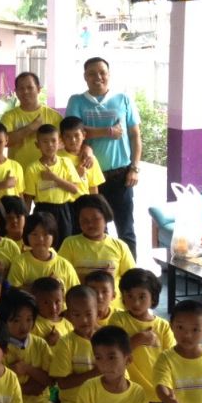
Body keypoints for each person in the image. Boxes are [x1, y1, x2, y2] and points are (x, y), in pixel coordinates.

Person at [65, 58, 142, 257]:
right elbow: (73, 132)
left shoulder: (123, 99)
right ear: (85, 77)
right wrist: (108, 131)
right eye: (92, 73)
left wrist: (134, 168)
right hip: (89, 176)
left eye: (102, 72)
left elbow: (135, 136)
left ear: (109, 74)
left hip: (121, 174)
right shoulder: (77, 101)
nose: (98, 77)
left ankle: (130, 272)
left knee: (126, 228)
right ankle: (99, 271)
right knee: (96, 229)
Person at [110, 269, 175, 403]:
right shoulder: (118, 320)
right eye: (130, 296)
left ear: (153, 298)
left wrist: (170, 389)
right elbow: (113, 353)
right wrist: (137, 340)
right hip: (130, 390)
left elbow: (171, 359)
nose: (136, 302)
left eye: (142, 296)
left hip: (159, 390)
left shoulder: (163, 326)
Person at [59, 195, 135, 303]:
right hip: (81, 305)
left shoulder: (120, 246)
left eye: (95, 219)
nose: (90, 224)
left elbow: (131, 280)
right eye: (84, 220)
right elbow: (61, 275)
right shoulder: (70, 244)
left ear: (105, 218)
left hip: (113, 307)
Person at [49, 285, 101, 403]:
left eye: (88, 314)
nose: (83, 320)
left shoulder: (109, 339)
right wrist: (95, 372)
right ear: (69, 316)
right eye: (77, 315)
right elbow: (63, 383)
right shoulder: (66, 343)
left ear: (98, 312)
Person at [22, 123, 83, 247]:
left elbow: (74, 189)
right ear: (37, 145)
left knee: (65, 243)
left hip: (64, 210)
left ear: (59, 142)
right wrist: (25, 221)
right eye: (45, 142)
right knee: (45, 244)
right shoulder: (32, 169)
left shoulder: (66, 163)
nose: (49, 145)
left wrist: (54, 178)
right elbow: (28, 198)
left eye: (53, 141)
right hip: (43, 210)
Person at [0, 71, 64, 167]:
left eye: (30, 88)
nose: (25, 92)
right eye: (21, 88)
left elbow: (65, 143)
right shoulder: (9, 116)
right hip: (19, 171)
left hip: (47, 171)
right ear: (16, 92)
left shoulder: (54, 116)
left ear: (38, 89)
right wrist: (30, 128)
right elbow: (4, 142)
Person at [7, 212, 80, 290]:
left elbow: (76, 293)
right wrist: (44, 286)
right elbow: (12, 291)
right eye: (34, 234)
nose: (40, 239)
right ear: (27, 236)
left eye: (45, 234)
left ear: (53, 236)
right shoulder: (20, 263)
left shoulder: (65, 266)